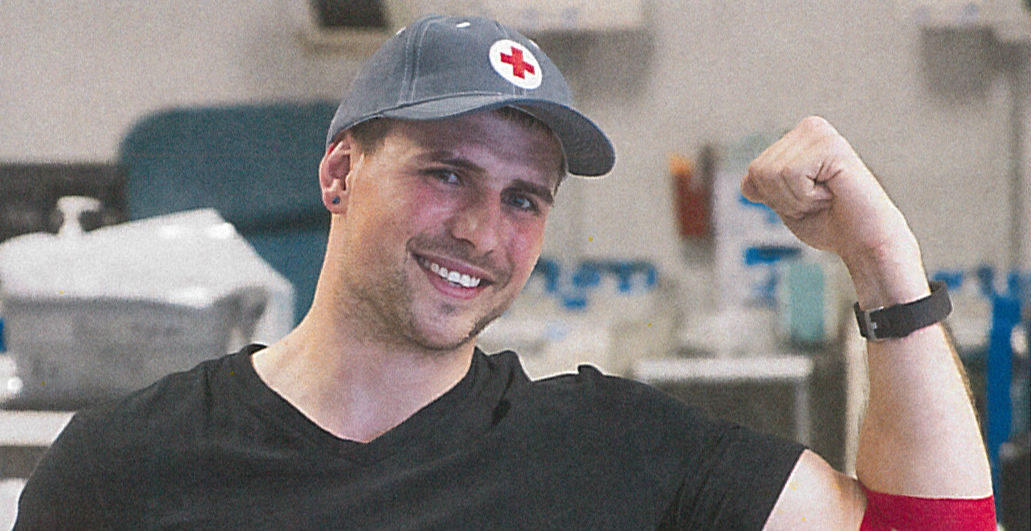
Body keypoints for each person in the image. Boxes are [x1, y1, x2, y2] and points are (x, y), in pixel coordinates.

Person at [15, 14, 994, 531]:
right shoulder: (126, 466)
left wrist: (881, 262)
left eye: (525, 197)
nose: (483, 231)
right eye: (446, 173)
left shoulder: (614, 451)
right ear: (339, 173)